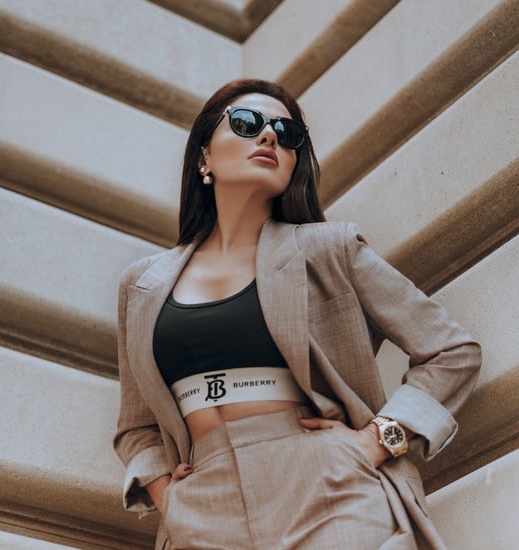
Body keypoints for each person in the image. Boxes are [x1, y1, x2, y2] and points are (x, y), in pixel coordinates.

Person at [113, 79, 481, 549]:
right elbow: (135, 427)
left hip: (330, 489)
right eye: (247, 124)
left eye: (286, 134)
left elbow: (451, 351)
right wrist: (169, 498)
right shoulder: (141, 285)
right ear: (204, 154)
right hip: (202, 509)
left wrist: (377, 439)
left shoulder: (330, 250)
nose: (269, 137)